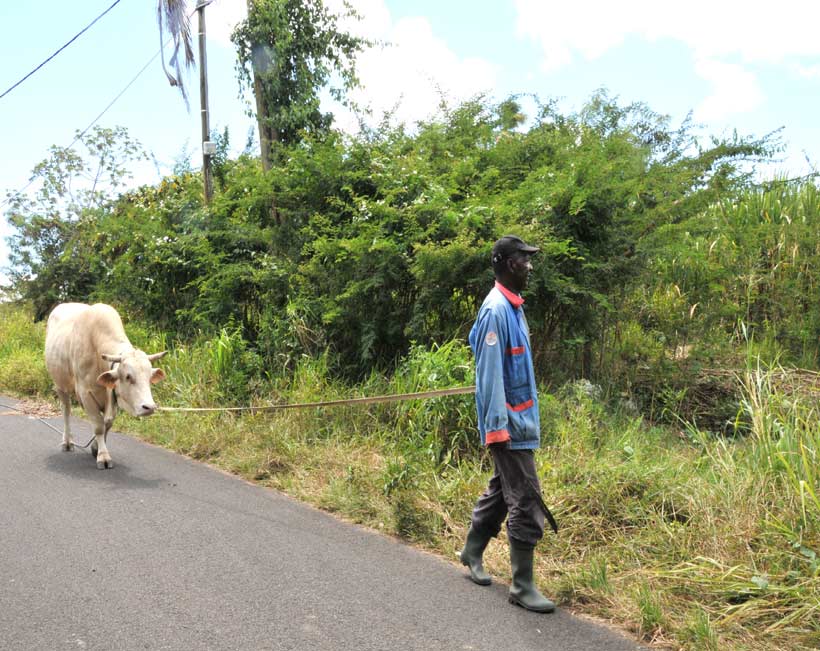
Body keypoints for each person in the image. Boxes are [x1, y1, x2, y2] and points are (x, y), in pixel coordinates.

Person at [459, 234, 556, 614]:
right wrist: (497, 428)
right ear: (506, 264)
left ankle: (471, 550)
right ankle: (522, 585)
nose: (530, 266)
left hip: (520, 422)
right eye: (524, 260)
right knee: (527, 499)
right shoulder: (496, 310)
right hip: (508, 426)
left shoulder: (514, 308)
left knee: (503, 491)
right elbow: (490, 377)